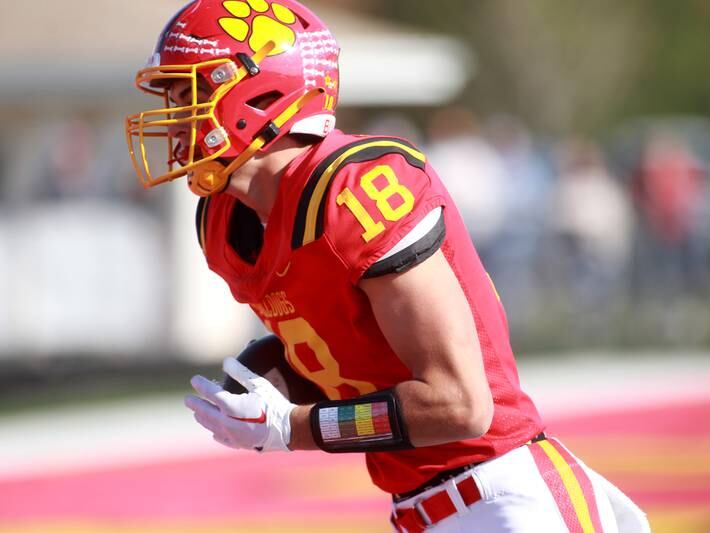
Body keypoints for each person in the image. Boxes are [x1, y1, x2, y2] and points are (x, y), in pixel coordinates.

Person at [124, 1, 650, 531]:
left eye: (189, 92)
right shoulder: (223, 222)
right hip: (416, 511)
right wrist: (280, 383)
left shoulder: (358, 188)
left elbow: (459, 404)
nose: (174, 115)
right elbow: (347, 360)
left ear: (259, 91)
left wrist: (294, 427)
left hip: (504, 496)